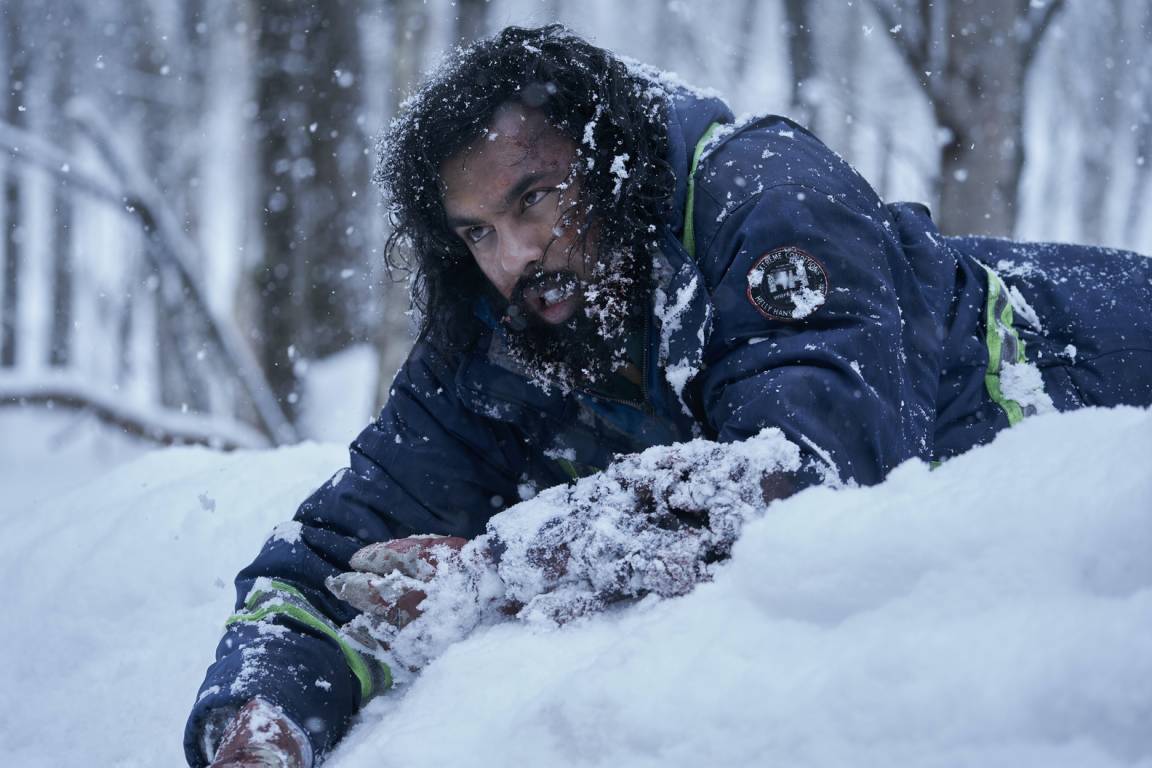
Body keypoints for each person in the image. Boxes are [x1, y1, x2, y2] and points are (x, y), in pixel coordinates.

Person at [185, 24, 1152, 768]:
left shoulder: (767, 198)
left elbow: (799, 487)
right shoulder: (502, 325)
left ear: (610, 163)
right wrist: (261, 720)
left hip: (1094, 363)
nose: (513, 254)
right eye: (478, 231)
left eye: (533, 199)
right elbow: (332, 559)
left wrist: (494, 567)